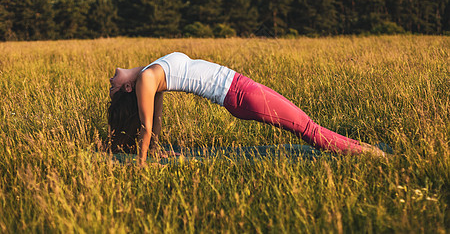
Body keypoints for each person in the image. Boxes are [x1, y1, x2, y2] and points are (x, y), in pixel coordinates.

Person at [108, 52, 385, 166]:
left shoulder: (148, 73)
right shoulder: (145, 79)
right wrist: (142, 164)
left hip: (241, 88)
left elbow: (154, 122)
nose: (111, 80)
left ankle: (362, 149)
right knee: (309, 129)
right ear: (128, 89)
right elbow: (146, 128)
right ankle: (373, 155)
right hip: (240, 95)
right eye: (114, 86)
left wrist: (155, 149)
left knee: (308, 127)